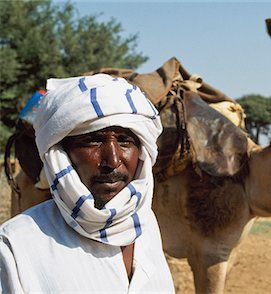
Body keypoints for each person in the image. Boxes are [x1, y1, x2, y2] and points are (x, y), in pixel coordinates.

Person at [0, 74, 175, 293]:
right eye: (93, 140)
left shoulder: (145, 223)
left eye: (125, 140)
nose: (112, 160)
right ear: (61, 154)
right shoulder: (15, 247)